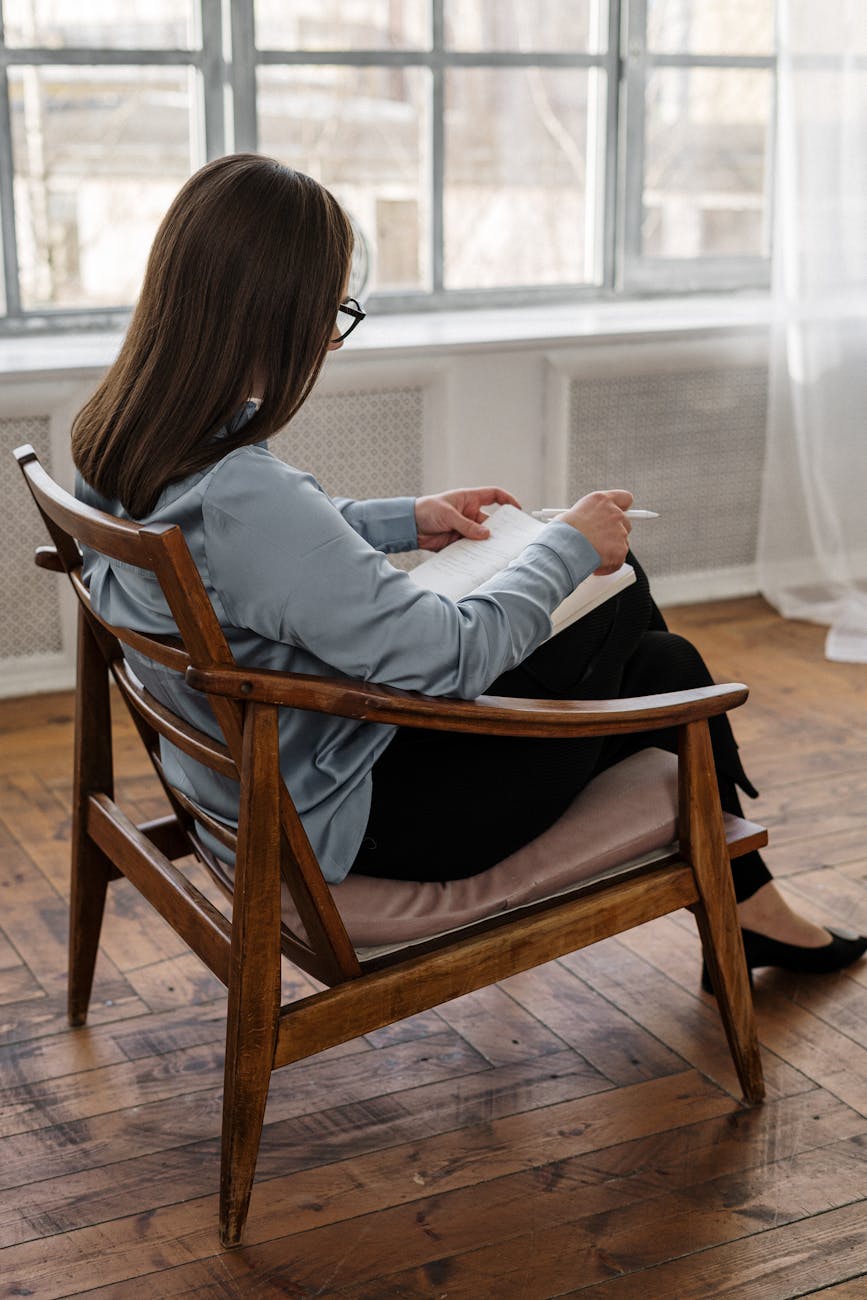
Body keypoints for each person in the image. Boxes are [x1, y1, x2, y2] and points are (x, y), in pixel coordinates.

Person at [72, 154, 865, 988]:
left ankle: (749, 907)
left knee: (659, 664)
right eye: (330, 313)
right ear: (273, 314)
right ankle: (746, 900)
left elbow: (244, 555)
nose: (328, 340)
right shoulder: (244, 492)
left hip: (282, 777)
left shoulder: (122, 432)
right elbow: (442, 657)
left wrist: (403, 520)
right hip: (361, 817)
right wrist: (565, 547)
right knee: (633, 604)